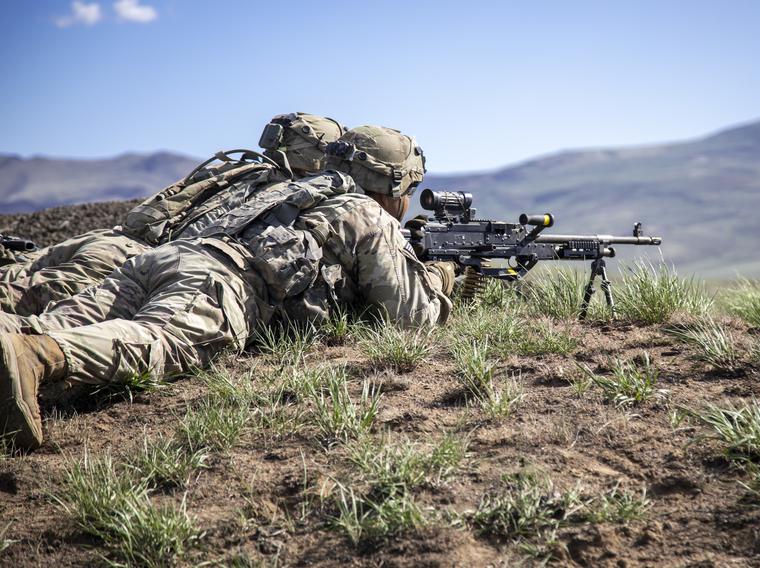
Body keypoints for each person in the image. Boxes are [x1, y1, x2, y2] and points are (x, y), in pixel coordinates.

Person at [0, 126, 455, 451]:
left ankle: (18, 340)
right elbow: (410, 317)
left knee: (43, 322)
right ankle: (41, 355)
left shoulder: (285, 187)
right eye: (409, 189)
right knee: (163, 343)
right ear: (394, 183)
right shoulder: (367, 213)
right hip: (219, 285)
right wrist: (442, 277)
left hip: (165, 260)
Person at [0, 113, 345, 317]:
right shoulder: (279, 195)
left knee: (16, 282)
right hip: (132, 257)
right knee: (30, 299)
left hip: (107, 238)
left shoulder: (234, 172)